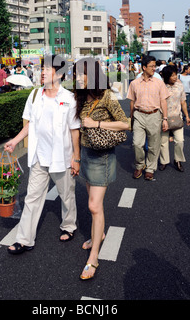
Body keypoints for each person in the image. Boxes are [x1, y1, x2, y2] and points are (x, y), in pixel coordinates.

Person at [4, 54, 81, 254]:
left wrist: (76, 157)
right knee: (32, 197)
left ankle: (68, 226)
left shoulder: (69, 99)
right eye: (43, 69)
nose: (43, 72)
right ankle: (24, 239)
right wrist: (15, 141)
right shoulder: (35, 95)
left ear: (59, 74)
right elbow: (30, 123)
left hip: (62, 157)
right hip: (39, 156)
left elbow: (74, 130)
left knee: (66, 195)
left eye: (47, 69)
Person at [73, 57, 129, 280]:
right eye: (75, 74)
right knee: (94, 206)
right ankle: (100, 233)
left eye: (81, 74)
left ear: (92, 75)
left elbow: (125, 123)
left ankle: (94, 256)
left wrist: (97, 123)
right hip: (86, 154)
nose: (77, 78)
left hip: (102, 156)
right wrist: (76, 157)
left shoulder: (106, 95)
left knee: (94, 206)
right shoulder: (79, 97)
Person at [126, 55, 170, 181]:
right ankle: (139, 165)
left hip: (155, 115)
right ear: (144, 67)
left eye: (154, 66)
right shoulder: (134, 83)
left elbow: (163, 101)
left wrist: (165, 119)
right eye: (151, 66)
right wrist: (131, 116)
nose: (154, 68)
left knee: (153, 145)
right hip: (139, 114)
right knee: (137, 144)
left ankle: (150, 168)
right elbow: (131, 101)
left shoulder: (159, 83)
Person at [159, 65, 190, 172]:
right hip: (163, 118)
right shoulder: (161, 86)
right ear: (166, 76)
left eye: (175, 74)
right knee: (163, 141)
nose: (175, 77)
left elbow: (183, 101)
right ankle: (164, 161)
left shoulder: (179, 85)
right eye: (172, 75)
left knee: (180, 141)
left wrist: (187, 116)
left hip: (177, 117)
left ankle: (177, 160)